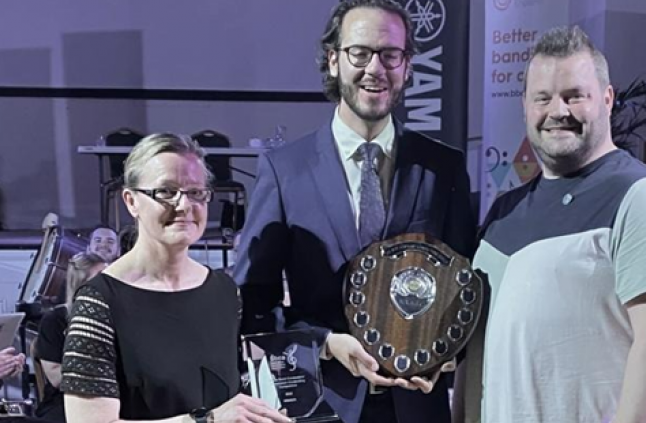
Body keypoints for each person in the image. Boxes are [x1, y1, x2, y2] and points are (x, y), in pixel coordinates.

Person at [234, 1, 476, 423]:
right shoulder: (285, 169)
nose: (375, 68)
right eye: (359, 53)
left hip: (418, 406)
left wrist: (444, 357)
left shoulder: (443, 167)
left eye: (390, 55)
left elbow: (464, 283)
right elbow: (254, 303)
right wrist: (325, 343)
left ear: (407, 66)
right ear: (333, 60)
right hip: (322, 404)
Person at [454, 26, 646, 423]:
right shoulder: (504, 212)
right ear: (526, 107)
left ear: (606, 99)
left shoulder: (642, 197)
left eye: (573, 96)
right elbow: (477, 348)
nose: (557, 111)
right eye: (542, 98)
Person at [60, 134, 291, 423]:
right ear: (131, 201)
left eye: (196, 192)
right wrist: (206, 421)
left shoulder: (224, 291)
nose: (183, 205)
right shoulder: (98, 303)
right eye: (166, 192)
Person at [34, 252, 107, 422]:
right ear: (81, 284)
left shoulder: (118, 317)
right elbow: (56, 378)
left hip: (114, 398)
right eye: (101, 277)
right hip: (66, 401)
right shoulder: (54, 321)